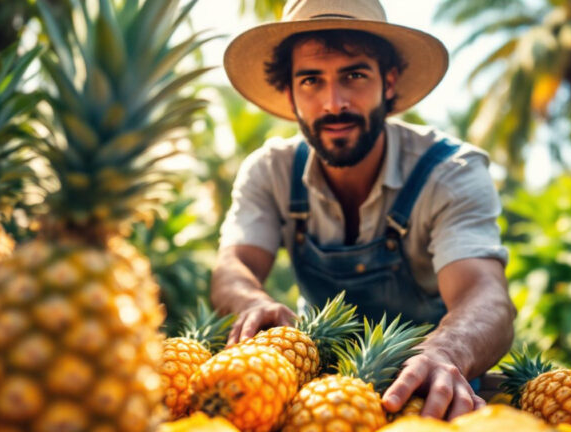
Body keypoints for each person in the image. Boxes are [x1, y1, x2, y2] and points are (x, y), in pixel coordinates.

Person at [210, 0, 516, 420]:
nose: (333, 103)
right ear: (290, 93)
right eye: (311, 80)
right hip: (315, 399)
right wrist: (249, 301)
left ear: (389, 82)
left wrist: (448, 350)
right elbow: (233, 264)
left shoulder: (450, 172)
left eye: (354, 75)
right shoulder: (270, 171)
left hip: (428, 395)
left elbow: (484, 293)